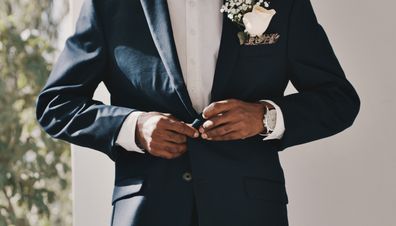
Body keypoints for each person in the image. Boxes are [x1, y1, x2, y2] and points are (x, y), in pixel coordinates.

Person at [36, 0, 360, 225]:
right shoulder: (111, 5)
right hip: (147, 212)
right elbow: (56, 104)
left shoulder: (280, 1)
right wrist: (133, 127)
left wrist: (265, 117)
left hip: (250, 213)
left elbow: (339, 100)